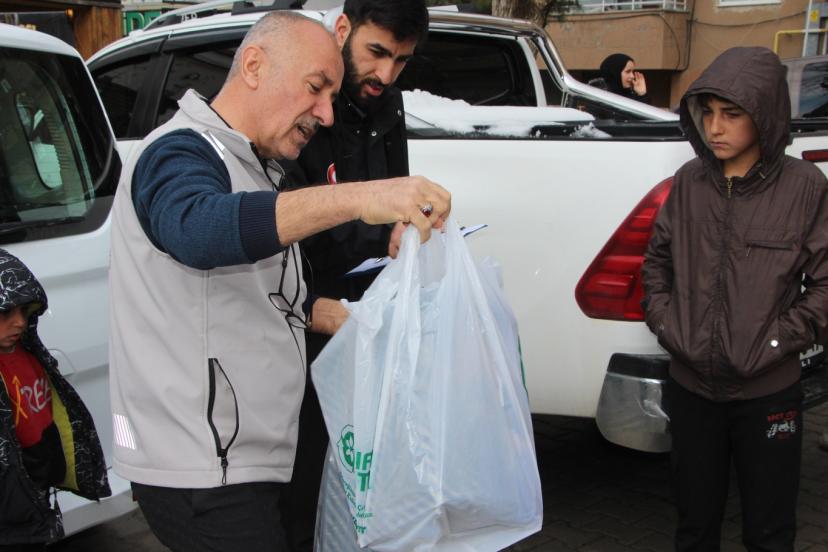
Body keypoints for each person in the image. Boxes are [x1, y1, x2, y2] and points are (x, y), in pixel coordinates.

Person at [107, 11, 449, 552]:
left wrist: (354, 318)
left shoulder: (258, 166)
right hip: (205, 469)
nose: (326, 114)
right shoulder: (177, 151)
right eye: (316, 89)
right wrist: (363, 197)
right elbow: (198, 229)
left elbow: (270, 296)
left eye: (332, 96)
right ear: (254, 66)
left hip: (255, 457)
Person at [641, 46, 828, 551]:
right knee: (694, 526)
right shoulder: (688, 182)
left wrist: (774, 342)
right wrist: (668, 325)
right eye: (707, 113)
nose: (714, 127)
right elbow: (656, 265)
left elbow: (825, 284)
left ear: (764, 115)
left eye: (731, 114)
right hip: (691, 388)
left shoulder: (805, 187)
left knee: (769, 532)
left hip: (768, 392)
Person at [279, 2, 428, 549]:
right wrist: (373, 233)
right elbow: (283, 221)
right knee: (304, 482)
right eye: (377, 52)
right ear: (343, 29)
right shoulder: (305, 100)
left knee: (358, 475)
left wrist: (402, 228)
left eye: (401, 61)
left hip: (366, 318)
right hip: (304, 321)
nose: (385, 74)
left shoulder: (387, 103)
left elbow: (392, 193)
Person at [0, 249, 110, 551]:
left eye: (24, 311)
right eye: (5, 313)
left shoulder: (32, 356)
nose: (19, 322)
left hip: (37, 485)